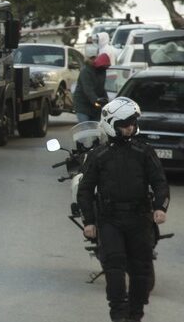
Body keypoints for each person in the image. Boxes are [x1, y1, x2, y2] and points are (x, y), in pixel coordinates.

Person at [77, 97, 170, 322]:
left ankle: (135, 315)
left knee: (141, 271)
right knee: (115, 270)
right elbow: (85, 190)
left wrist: (160, 207)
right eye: (125, 123)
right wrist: (89, 221)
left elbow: (160, 183)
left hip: (140, 218)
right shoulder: (98, 155)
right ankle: (118, 315)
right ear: (112, 124)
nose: (130, 127)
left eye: (132, 123)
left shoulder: (144, 151)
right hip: (110, 220)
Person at [73, 32, 114, 122]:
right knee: (86, 127)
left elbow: (102, 88)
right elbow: (88, 90)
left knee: (97, 129)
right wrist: (96, 100)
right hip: (82, 105)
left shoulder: (102, 71)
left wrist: (106, 101)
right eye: (93, 58)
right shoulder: (85, 71)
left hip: (95, 107)